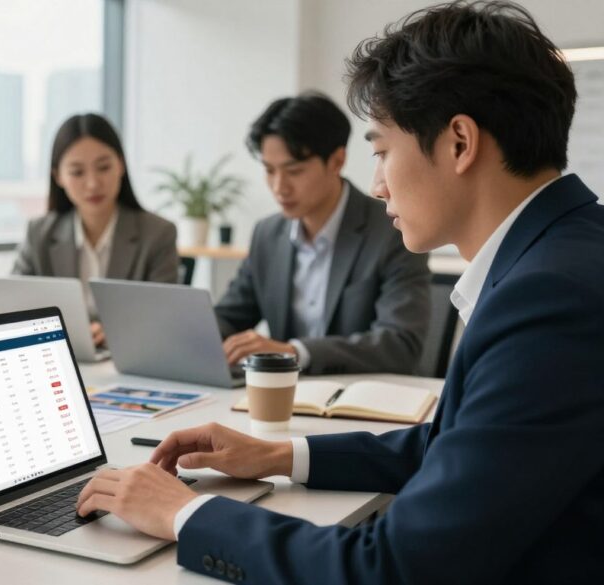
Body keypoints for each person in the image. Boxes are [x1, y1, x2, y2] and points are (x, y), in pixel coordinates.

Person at [75, 2, 604, 583]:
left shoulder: (549, 299)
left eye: (381, 151)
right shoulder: (567, 252)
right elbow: (457, 446)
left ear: (459, 142)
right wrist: (281, 455)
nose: (377, 185)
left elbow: (391, 567)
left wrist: (184, 512)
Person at [215, 92, 430, 375]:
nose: (280, 187)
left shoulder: (393, 229)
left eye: (294, 171)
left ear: (337, 160)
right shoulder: (267, 234)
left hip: (364, 401)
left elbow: (400, 343)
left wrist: (294, 353)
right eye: (269, 170)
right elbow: (230, 317)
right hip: (282, 398)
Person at [13, 113, 179, 347]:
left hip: (127, 358)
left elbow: (164, 316)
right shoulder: (39, 233)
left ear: (120, 165)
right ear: (58, 176)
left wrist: (117, 331)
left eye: (103, 167)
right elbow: (13, 307)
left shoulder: (157, 233)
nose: (92, 183)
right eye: (77, 172)